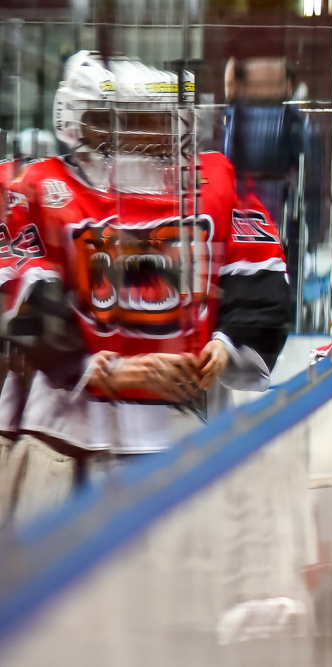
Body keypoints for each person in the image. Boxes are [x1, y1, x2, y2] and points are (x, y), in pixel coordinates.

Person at [0, 52, 290, 524]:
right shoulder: (37, 186)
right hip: (70, 436)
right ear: (77, 121)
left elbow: (258, 279)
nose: (138, 135)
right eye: (119, 120)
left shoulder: (214, 180)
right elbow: (25, 294)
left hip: (187, 431)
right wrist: (106, 372)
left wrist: (225, 347)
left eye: (153, 120)